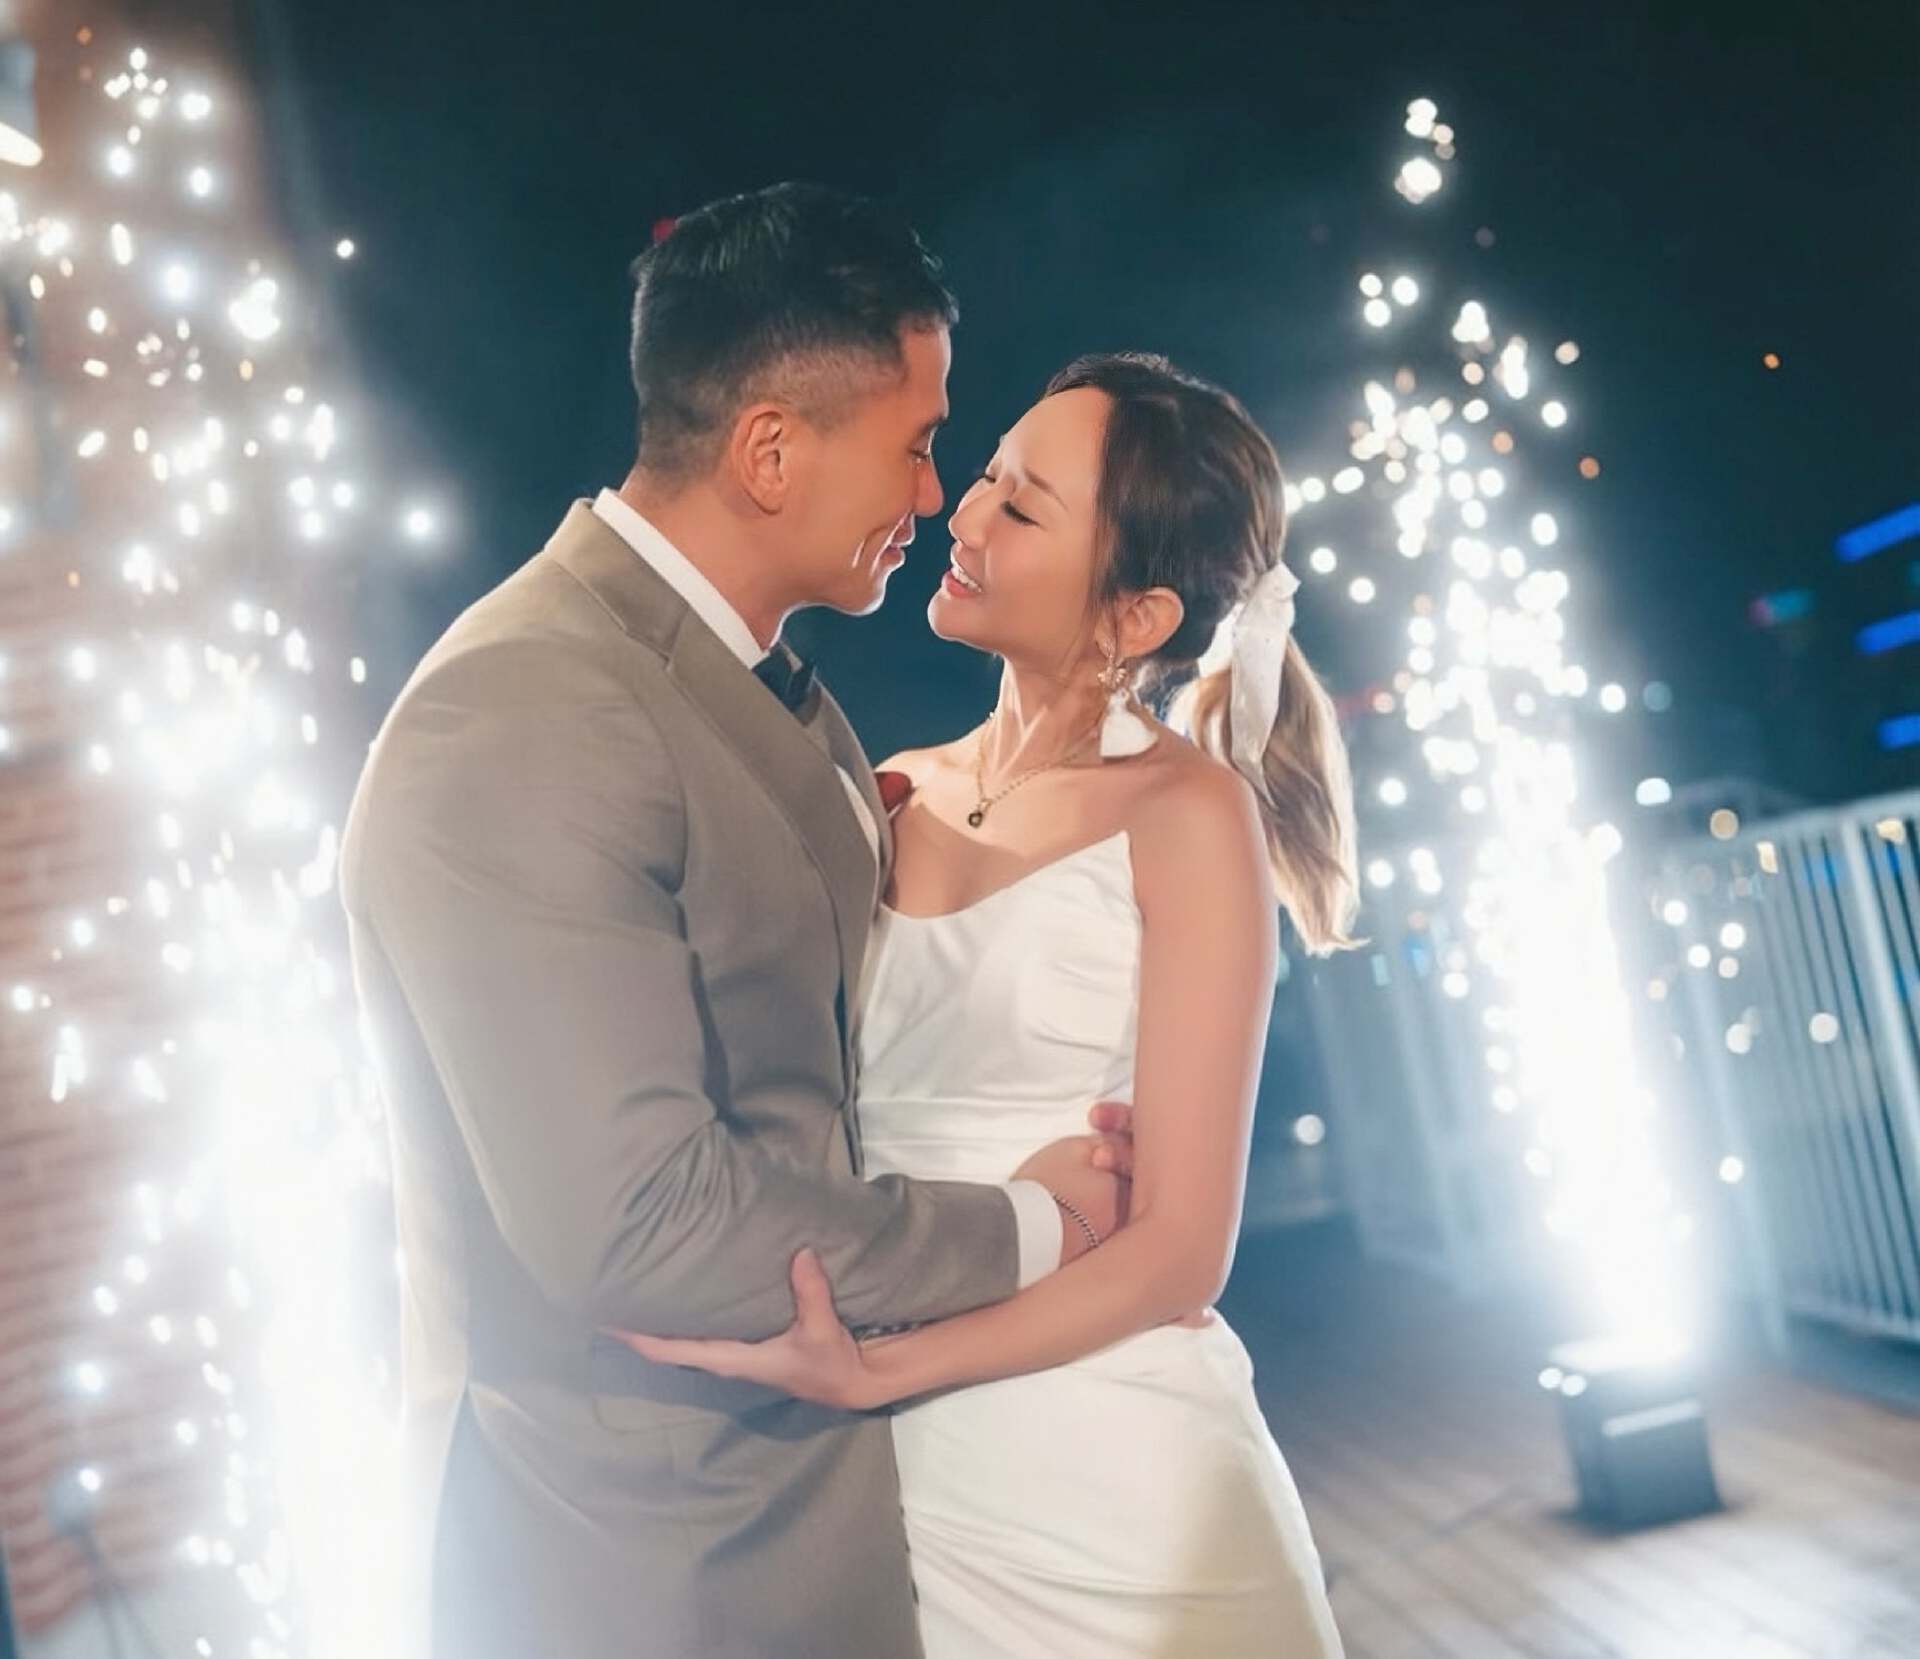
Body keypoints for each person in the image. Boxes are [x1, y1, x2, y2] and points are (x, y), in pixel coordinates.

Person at [338, 183, 1138, 1659]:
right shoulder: (522, 708)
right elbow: (638, 1223)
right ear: (771, 450)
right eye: (914, 445)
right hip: (651, 1561)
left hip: (831, 1499)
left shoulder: (766, 692)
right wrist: (1029, 1225)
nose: (931, 497)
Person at [616, 352, 1358, 1655]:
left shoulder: (1186, 814)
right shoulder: (886, 791)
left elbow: (1183, 1251)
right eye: (988, 477)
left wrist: (877, 1368)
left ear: (1134, 615)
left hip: (1115, 1482)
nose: (961, 513)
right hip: (909, 1486)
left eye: (1021, 506)